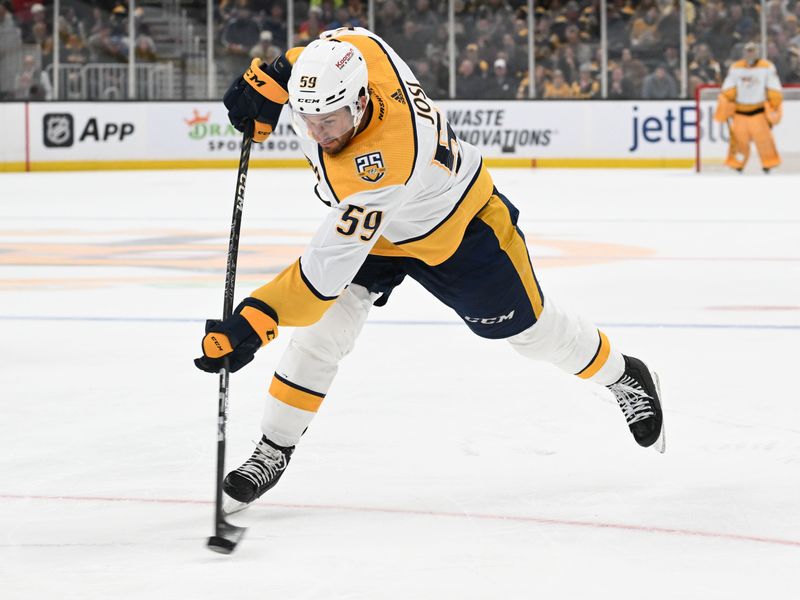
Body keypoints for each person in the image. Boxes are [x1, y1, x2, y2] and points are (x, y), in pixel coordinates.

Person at [195, 27, 666, 511]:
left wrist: (255, 321)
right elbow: (323, 52)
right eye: (307, 117)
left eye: (329, 122)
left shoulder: (387, 160)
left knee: (531, 334)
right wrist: (275, 76)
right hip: (375, 233)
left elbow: (319, 277)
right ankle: (273, 448)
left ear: (360, 103)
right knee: (321, 334)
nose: (318, 133)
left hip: (456, 229)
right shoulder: (359, 54)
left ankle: (622, 374)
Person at [714, 41, 784, 173]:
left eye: (753, 51)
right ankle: (737, 164)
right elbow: (729, 88)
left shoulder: (767, 67)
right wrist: (726, 100)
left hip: (759, 113)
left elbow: (773, 87)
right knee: (739, 141)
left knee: (764, 140)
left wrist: (774, 104)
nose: (750, 54)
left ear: (758, 52)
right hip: (740, 113)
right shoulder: (736, 68)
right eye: (748, 51)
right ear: (744, 53)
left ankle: (769, 164)